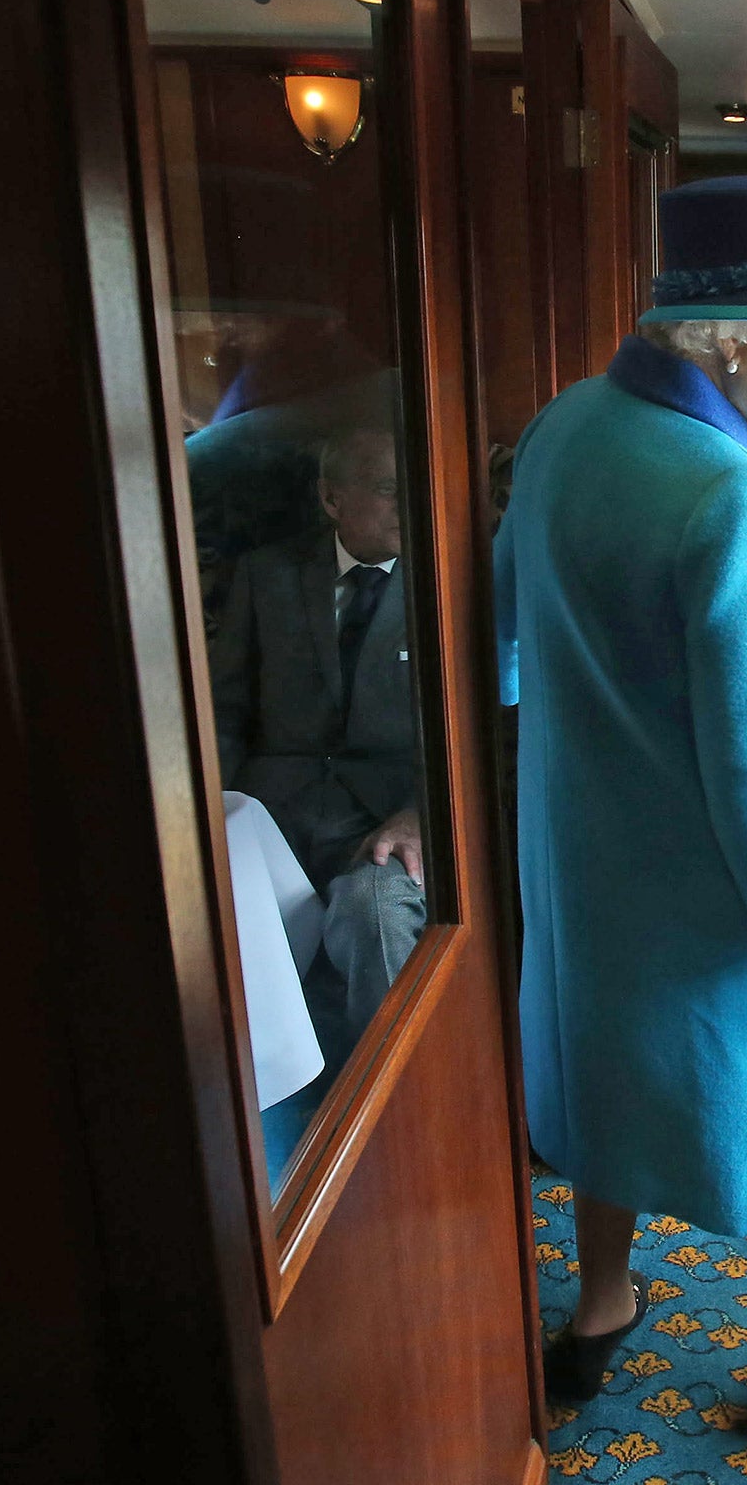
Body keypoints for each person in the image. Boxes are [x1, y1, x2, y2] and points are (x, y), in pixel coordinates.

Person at [491, 175, 747, 1432]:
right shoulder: (740, 499)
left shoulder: (567, 426)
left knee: (601, 1080)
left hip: (578, 858)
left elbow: (508, 623)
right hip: (714, 887)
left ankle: (599, 1307)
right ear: (736, 334)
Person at [209, 426, 427, 1056]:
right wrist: (205, 812)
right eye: (388, 489)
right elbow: (226, 707)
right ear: (332, 499)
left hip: (387, 823)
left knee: (375, 914)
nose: (406, 503)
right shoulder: (266, 575)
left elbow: (489, 730)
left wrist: (426, 814)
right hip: (268, 816)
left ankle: (394, 1100)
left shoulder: (450, 575)